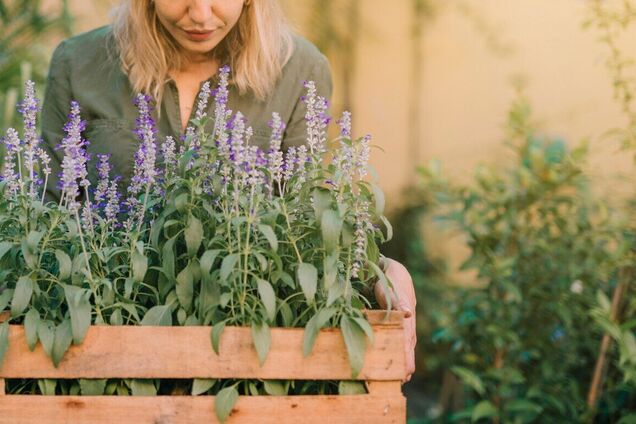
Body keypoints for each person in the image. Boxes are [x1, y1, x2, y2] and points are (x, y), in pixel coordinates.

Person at [41, 0, 417, 381]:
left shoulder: (300, 68)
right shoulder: (80, 63)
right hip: (105, 350)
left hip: (243, 354)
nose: (201, 15)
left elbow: (305, 222)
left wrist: (382, 269)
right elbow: (50, 213)